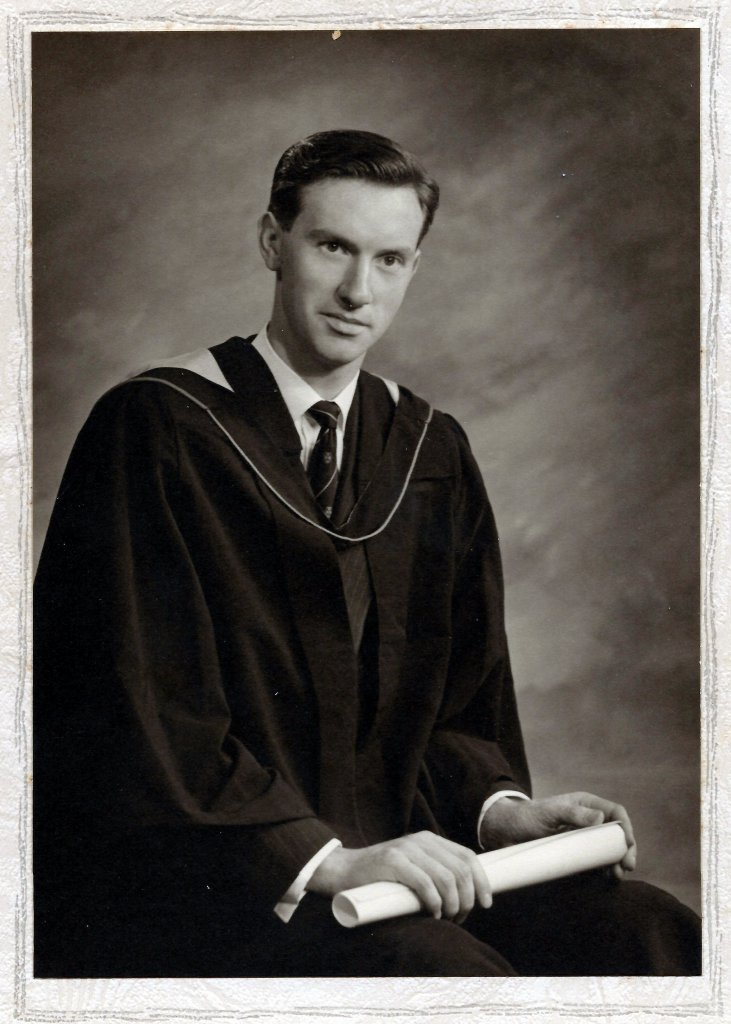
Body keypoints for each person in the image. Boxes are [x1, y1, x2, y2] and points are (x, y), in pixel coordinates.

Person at [33, 129, 701, 978]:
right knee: (452, 978)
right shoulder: (157, 429)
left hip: (401, 866)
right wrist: (325, 860)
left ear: (414, 269)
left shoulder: (428, 449)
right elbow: (134, 711)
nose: (358, 290)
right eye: (332, 247)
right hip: (217, 886)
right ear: (273, 243)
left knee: (648, 932)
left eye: (390, 260)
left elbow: (459, 700)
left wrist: (495, 812)